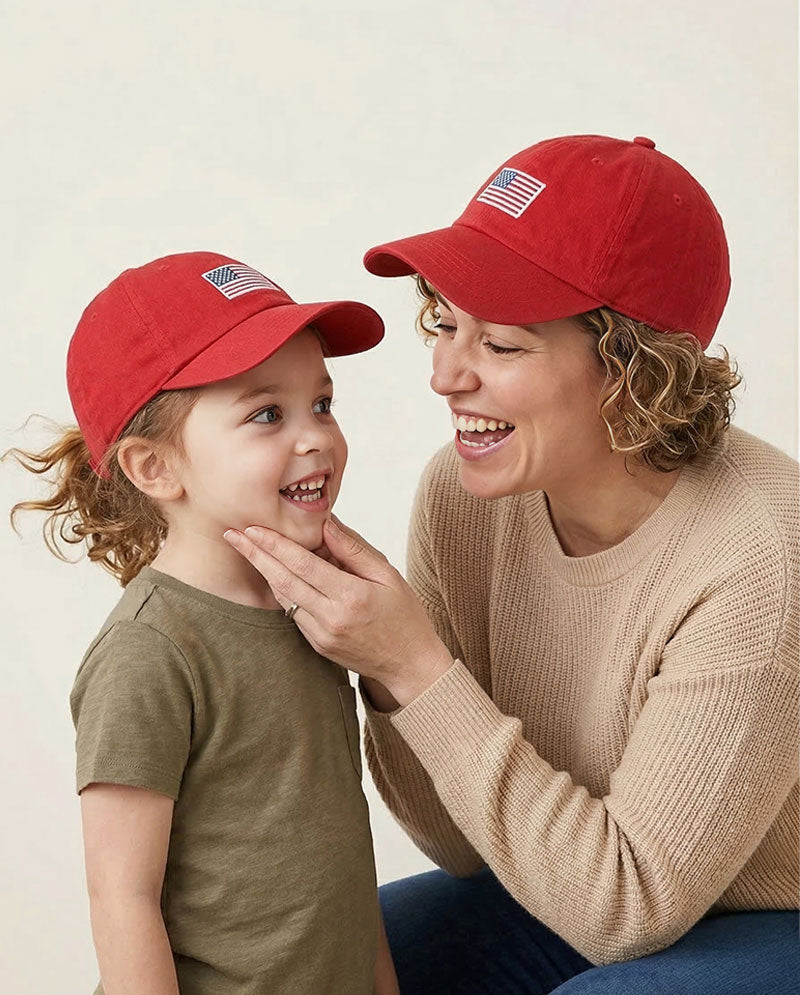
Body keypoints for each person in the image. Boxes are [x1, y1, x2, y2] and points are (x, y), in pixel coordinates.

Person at [222, 136, 800, 993]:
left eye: (501, 345)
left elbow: (631, 907)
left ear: (633, 372)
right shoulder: (466, 497)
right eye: (446, 324)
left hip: (768, 915)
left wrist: (413, 667)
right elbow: (460, 845)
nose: (445, 375)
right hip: (579, 881)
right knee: (326, 951)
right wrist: (383, 671)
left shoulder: (761, 553)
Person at [7, 251, 400, 995]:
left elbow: (344, 867)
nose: (316, 436)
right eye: (267, 414)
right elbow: (121, 899)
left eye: (322, 403)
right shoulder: (149, 651)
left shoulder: (318, 612)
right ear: (154, 468)